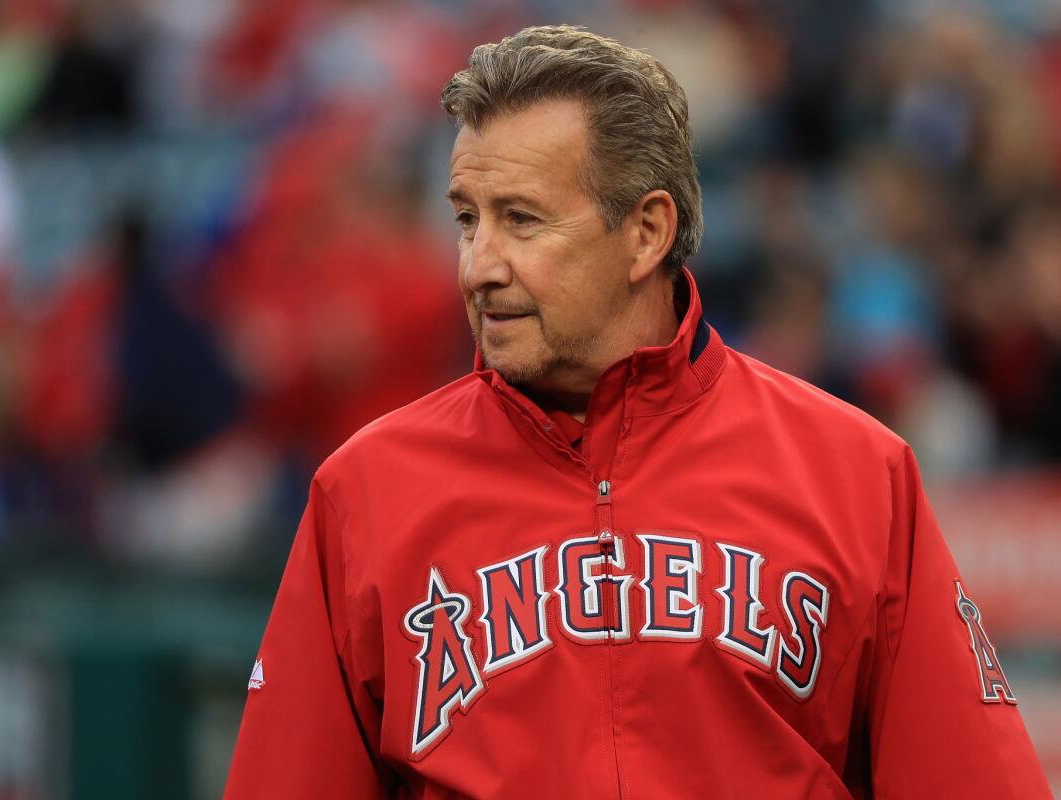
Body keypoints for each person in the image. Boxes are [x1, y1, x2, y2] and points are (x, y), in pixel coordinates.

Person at [224, 25, 1049, 798]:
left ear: (647, 232)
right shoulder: (366, 490)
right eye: (467, 221)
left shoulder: (855, 470)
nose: (480, 267)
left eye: (522, 220)